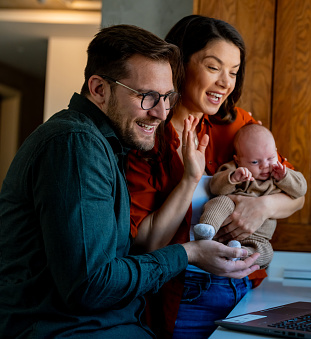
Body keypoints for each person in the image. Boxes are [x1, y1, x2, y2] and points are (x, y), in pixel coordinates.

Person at [0, 24, 259, 338]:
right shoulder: (75, 144)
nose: (162, 113)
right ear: (99, 89)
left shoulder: (107, 144)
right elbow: (91, 285)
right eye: (149, 97)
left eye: (167, 97)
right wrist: (188, 254)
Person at [126, 15, 305, 339]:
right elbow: (147, 244)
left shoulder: (240, 126)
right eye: (213, 67)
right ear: (179, 64)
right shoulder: (148, 135)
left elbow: (296, 195)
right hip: (184, 295)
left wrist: (261, 208)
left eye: (234, 72)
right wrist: (191, 180)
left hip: (248, 288)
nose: (226, 82)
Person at [194, 124, 307, 268]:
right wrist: (233, 178)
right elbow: (215, 188)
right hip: (226, 222)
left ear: (276, 152)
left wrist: (285, 177)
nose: (265, 165)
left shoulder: (278, 175)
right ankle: (207, 228)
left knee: (266, 253)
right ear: (238, 160)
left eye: (270, 157)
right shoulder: (235, 170)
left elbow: (301, 190)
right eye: (255, 162)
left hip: (259, 237)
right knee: (221, 202)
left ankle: (240, 254)